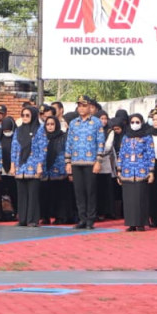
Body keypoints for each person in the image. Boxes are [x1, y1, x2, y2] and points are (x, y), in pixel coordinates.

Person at [64, 95, 106, 230]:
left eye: (84, 106)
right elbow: (69, 142)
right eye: (79, 106)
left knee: (90, 191)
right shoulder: (73, 123)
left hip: (90, 162)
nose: (81, 108)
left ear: (90, 107)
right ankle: (82, 219)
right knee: (79, 192)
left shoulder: (96, 122)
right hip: (76, 161)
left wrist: (98, 161)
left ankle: (90, 219)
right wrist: (68, 162)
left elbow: (101, 142)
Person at [117, 113, 154, 232]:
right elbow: (121, 154)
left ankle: (141, 223)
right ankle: (131, 224)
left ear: (142, 123)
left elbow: (151, 154)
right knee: (129, 199)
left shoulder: (147, 137)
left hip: (141, 171)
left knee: (140, 198)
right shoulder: (125, 137)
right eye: (132, 122)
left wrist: (151, 171)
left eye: (137, 122)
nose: (134, 124)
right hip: (127, 171)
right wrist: (119, 170)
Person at [11, 106, 45, 228]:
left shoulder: (39, 130)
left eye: (27, 115)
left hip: (33, 165)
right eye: (23, 115)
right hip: (20, 166)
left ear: (33, 116)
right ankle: (22, 219)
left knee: (33, 194)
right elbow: (14, 148)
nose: (25, 118)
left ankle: (32, 219)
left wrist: (40, 165)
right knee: (21, 194)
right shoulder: (18, 130)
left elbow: (42, 148)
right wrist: (13, 165)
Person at [41, 115, 72, 225]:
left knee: (60, 196)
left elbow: (67, 152)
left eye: (52, 124)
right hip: (45, 172)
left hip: (60, 171)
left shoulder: (63, 137)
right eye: (48, 124)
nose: (50, 127)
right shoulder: (42, 137)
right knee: (45, 195)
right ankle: (45, 216)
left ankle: (61, 217)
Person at [0, 115, 17, 222]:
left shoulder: (16, 139)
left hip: (13, 171)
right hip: (2, 171)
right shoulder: (0, 139)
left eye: (8, 130)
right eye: (5, 131)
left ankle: (16, 212)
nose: (7, 132)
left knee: (15, 193)